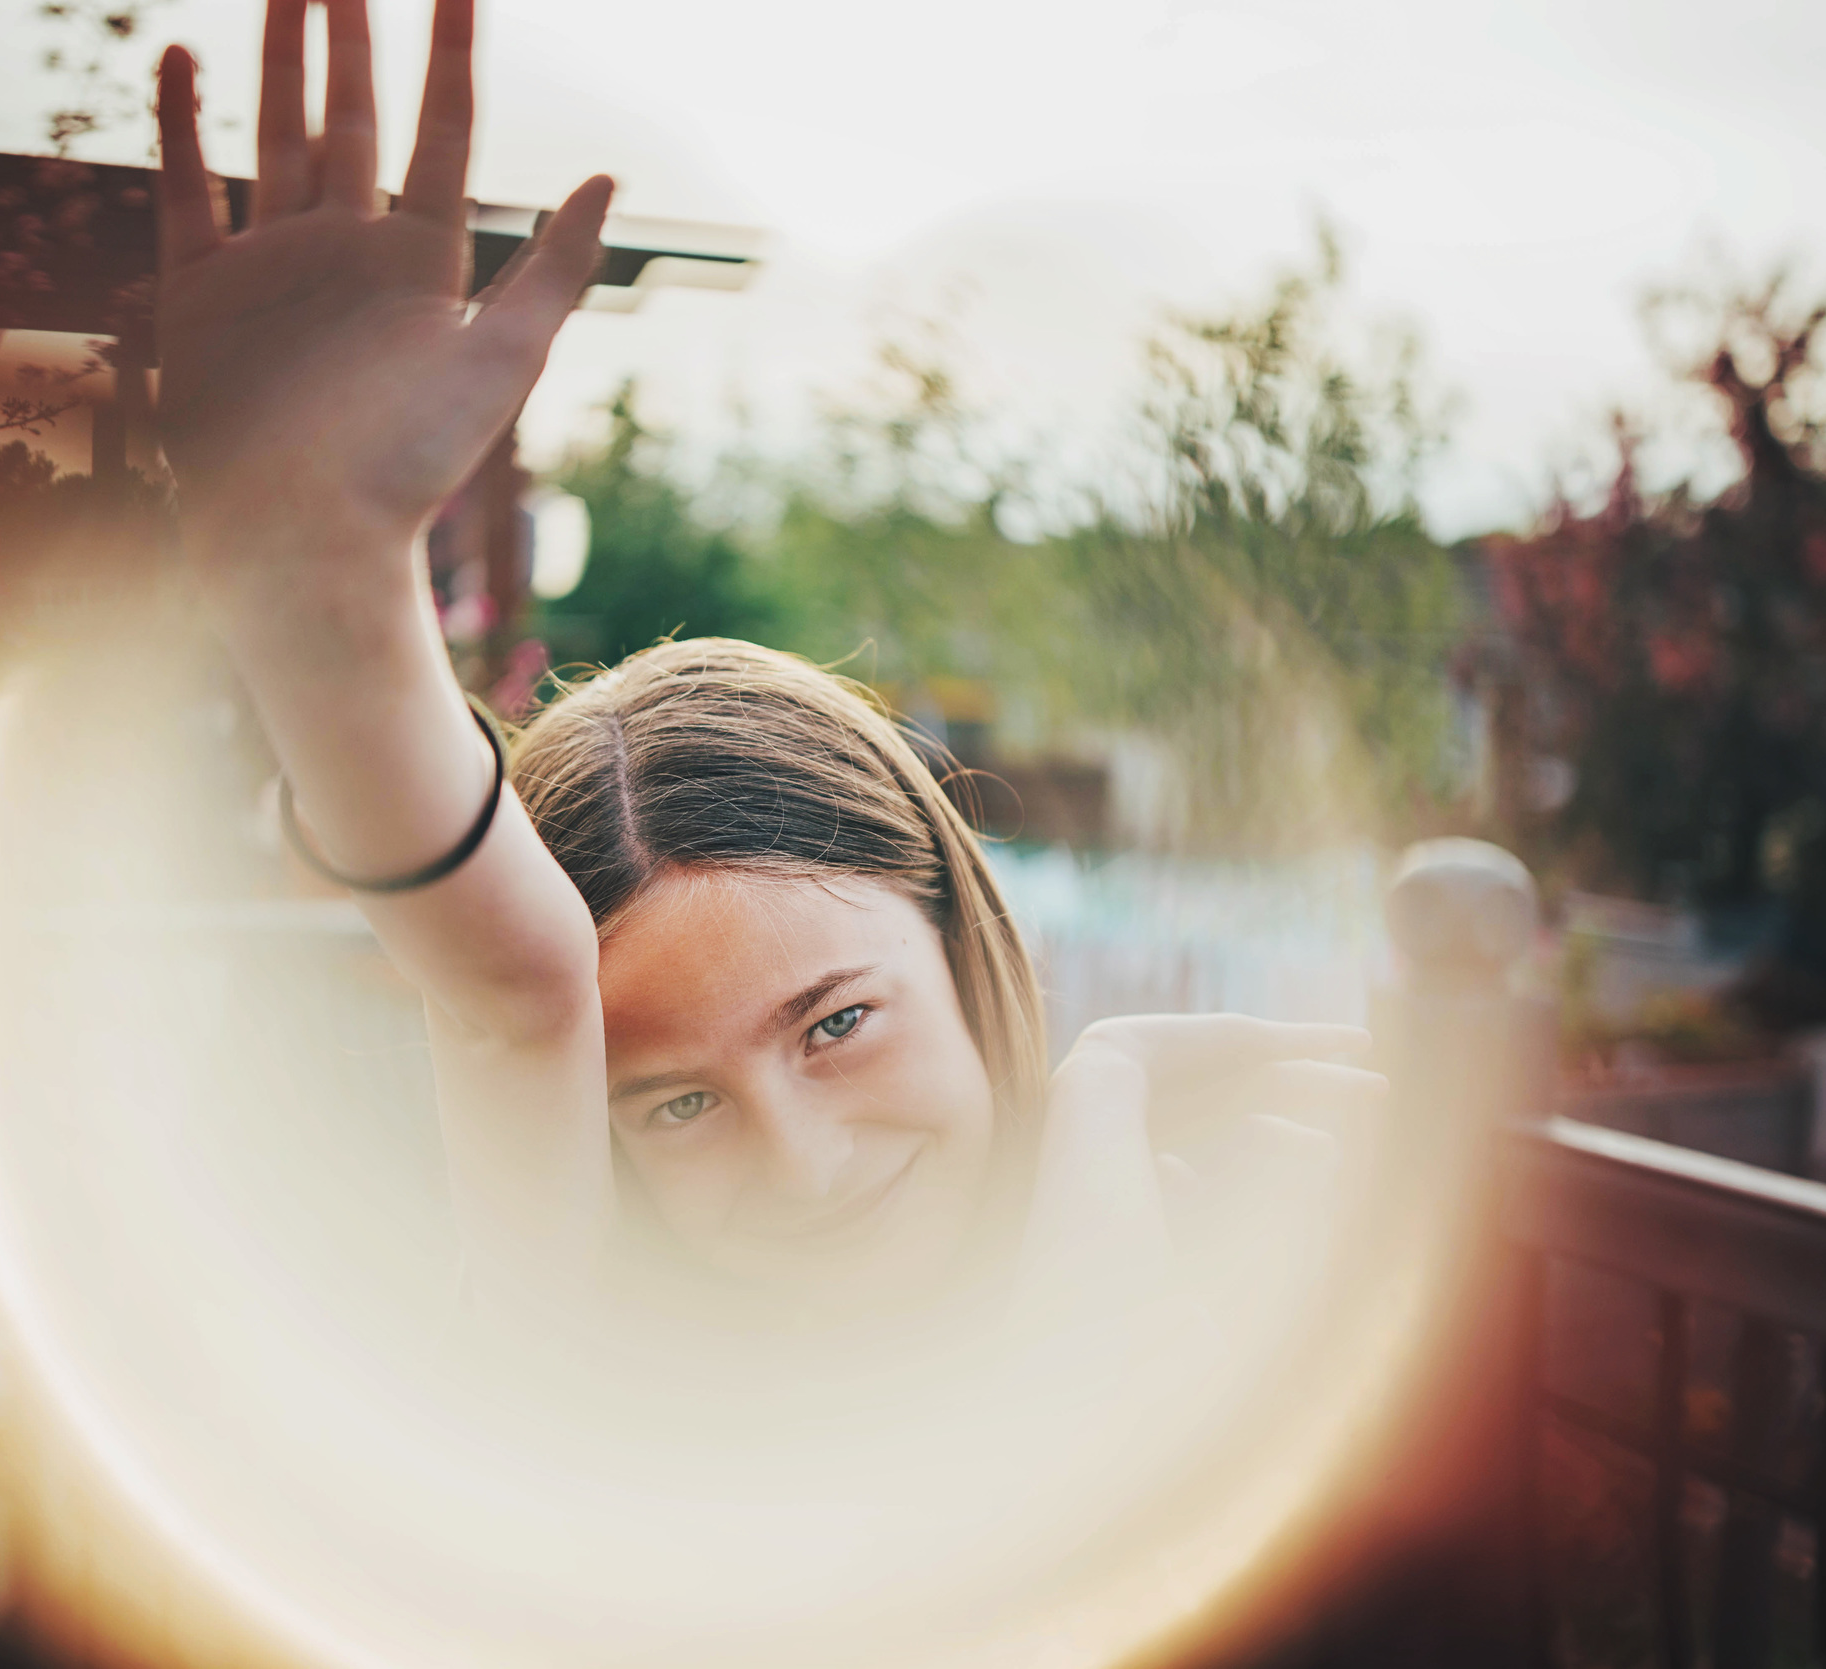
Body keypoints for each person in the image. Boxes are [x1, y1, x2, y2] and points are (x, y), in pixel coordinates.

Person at [152, 0, 1378, 1328]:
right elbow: (517, 987)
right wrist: (331, 601)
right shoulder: (584, 1378)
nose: (805, 1167)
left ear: (959, 941)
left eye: (837, 1024)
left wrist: (1097, 1114)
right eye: (679, 1103)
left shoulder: (1242, 1248)